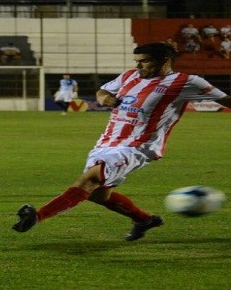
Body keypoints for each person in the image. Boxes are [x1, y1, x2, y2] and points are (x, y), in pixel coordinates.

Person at [12, 42, 231, 241]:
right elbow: (103, 91)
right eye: (136, 61)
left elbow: (225, 100)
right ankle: (145, 220)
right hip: (107, 142)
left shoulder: (187, 82)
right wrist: (103, 97)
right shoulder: (129, 76)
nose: (138, 66)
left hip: (139, 146)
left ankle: (37, 216)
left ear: (165, 61)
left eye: (144, 61)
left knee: (88, 181)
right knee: (99, 195)